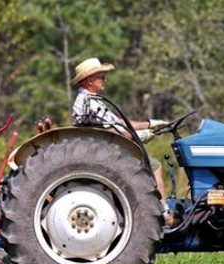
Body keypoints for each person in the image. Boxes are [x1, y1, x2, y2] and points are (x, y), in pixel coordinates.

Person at [70, 57, 180, 228]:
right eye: (101, 76)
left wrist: (150, 123)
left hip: (104, 146)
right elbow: (114, 130)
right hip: (106, 149)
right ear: (90, 80)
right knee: (155, 166)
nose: (104, 80)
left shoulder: (89, 100)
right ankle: (163, 213)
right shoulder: (89, 103)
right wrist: (141, 135)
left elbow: (119, 122)